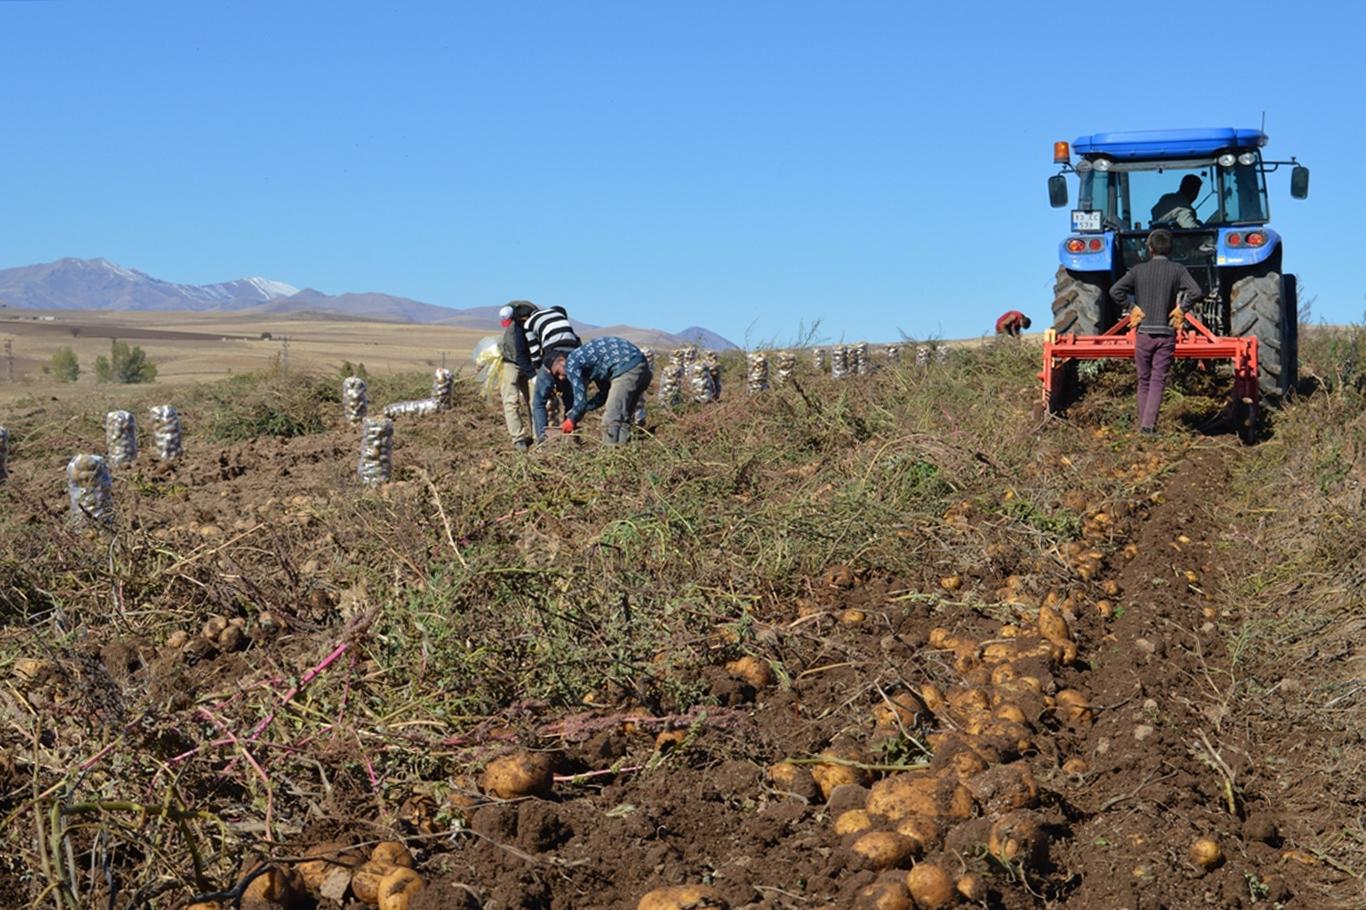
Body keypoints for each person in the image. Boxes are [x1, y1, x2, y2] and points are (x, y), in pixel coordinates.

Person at [1109, 229, 1202, 434]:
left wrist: (1132, 308)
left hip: (1143, 335)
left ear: (1149, 249)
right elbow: (1196, 291)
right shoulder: (1178, 270)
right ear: (1171, 249)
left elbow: (1115, 290)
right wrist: (1182, 309)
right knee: (1157, 380)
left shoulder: (1137, 270)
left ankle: (1143, 426)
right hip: (1166, 335)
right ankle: (1148, 426)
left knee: (1143, 380)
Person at [548, 336, 653, 445]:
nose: (560, 377)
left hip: (627, 368)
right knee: (623, 418)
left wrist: (571, 419)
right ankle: (621, 451)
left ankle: (610, 455)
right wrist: (587, 407)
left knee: (611, 418)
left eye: (557, 373)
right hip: (642, 367)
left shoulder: (571, 363)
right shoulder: (591, 362)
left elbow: (580, 400)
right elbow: (603, 395)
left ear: (561, 361)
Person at [522, 303, 582, 442]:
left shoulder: (529, 324)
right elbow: (576, 340)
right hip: (573, 354)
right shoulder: (559, 315)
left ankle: (542, 441)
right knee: (569, 398)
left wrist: (538, 371)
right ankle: (571, 436)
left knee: (538, 401)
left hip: (554, 355)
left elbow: (535, 352)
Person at [497, 302, 537, 450]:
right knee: (511, 401)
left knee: (535, 401)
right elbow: (519, 355)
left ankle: (539, 436)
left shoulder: (534, 324)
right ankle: (518, 438)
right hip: (511, 362)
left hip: (531, 363)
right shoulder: (513, 330)